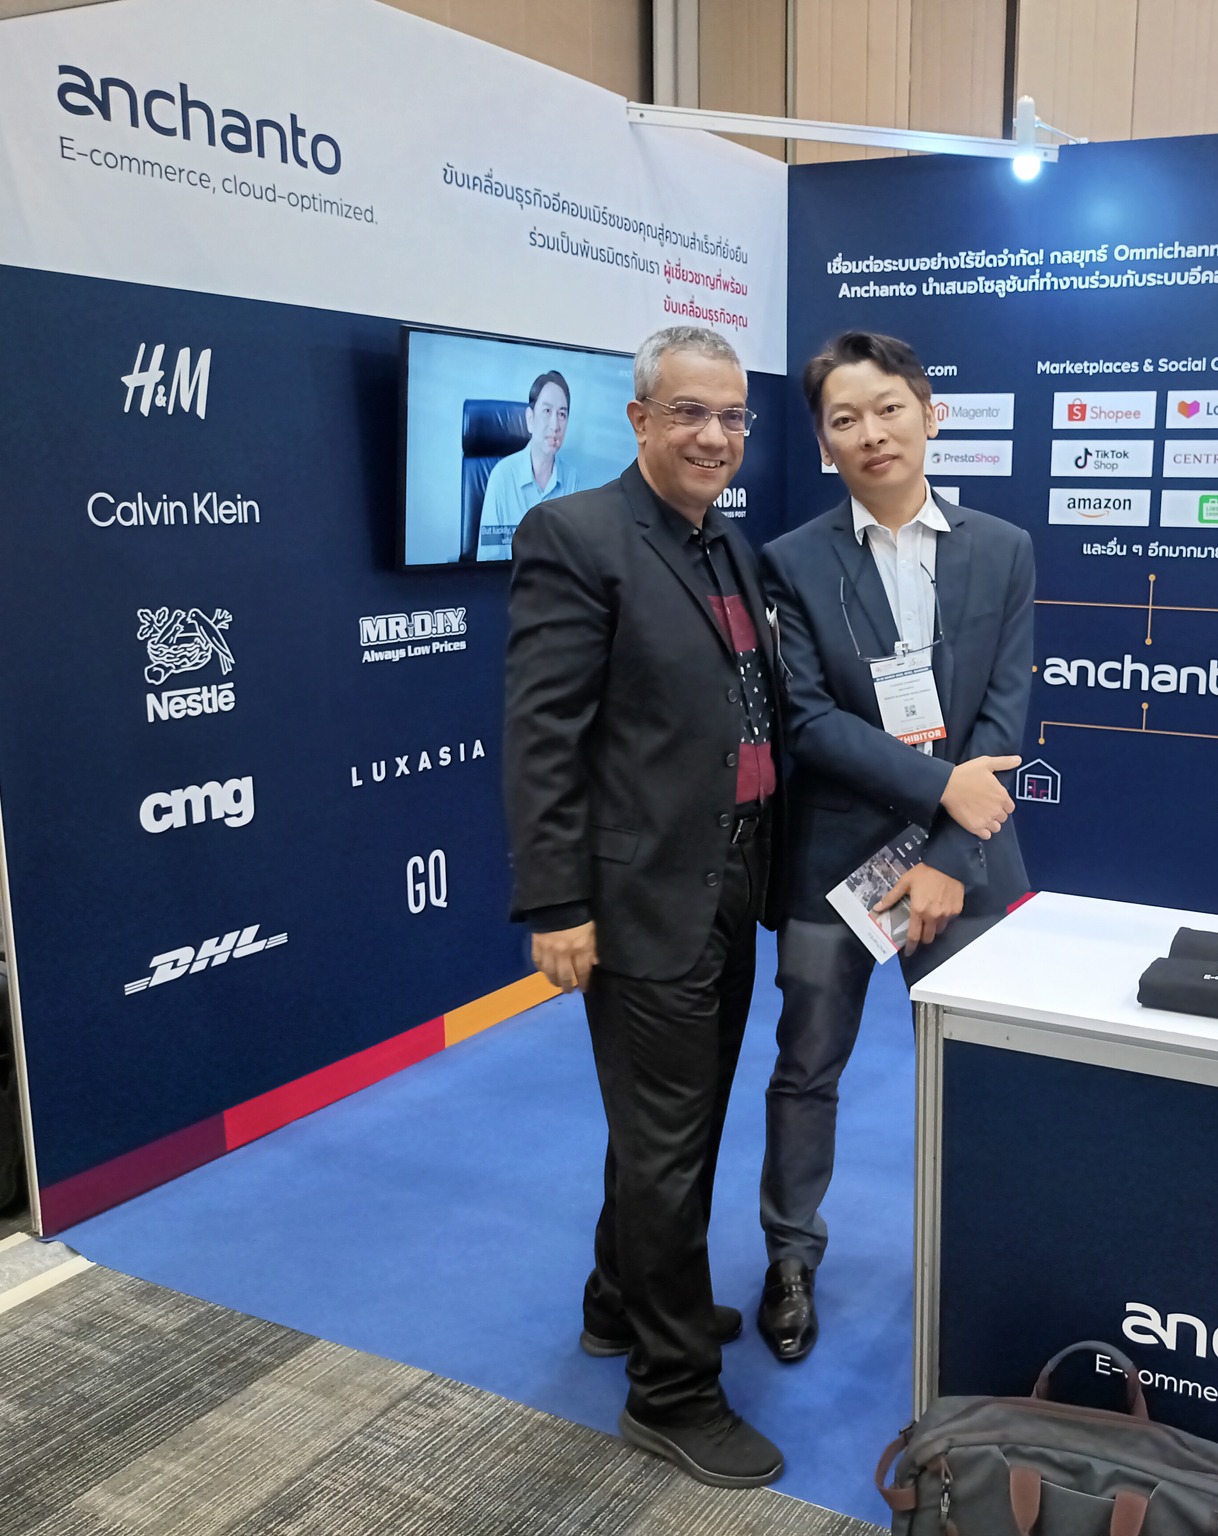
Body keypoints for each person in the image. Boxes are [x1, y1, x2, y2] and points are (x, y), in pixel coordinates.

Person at [502, 325, 784, 1487]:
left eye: (730, 416)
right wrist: (558, 902)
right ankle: (672, 1390)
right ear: (638, 419)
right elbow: (541, 736)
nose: (713, 435)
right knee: (669, 1141)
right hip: (638, 898)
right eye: (688, 413)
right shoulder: (574, 536)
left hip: (728, 881)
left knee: (676, 1123)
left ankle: (619, 1299)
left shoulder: (726, 545)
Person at [755, 331, 1034, 1362]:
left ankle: (990, 1257)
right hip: (832, 859)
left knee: (979, 1074)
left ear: (928, 414)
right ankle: (790, 1256)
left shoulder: (1002, 548)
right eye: (845, 419)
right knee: (806, 1067)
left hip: (967, 859)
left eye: (888, 408)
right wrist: (939, 787)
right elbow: (806, 721)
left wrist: (947, 854)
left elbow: (1001, 717)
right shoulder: (789, 562)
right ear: (823, 442)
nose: (870, 433)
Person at [477, 369, 578, 560]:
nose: (555, 425)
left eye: (562, 414)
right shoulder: (501, 477)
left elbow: (573, 555)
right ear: (530, 419)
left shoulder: (572, 479)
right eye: (547, 411)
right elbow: (488, 560)